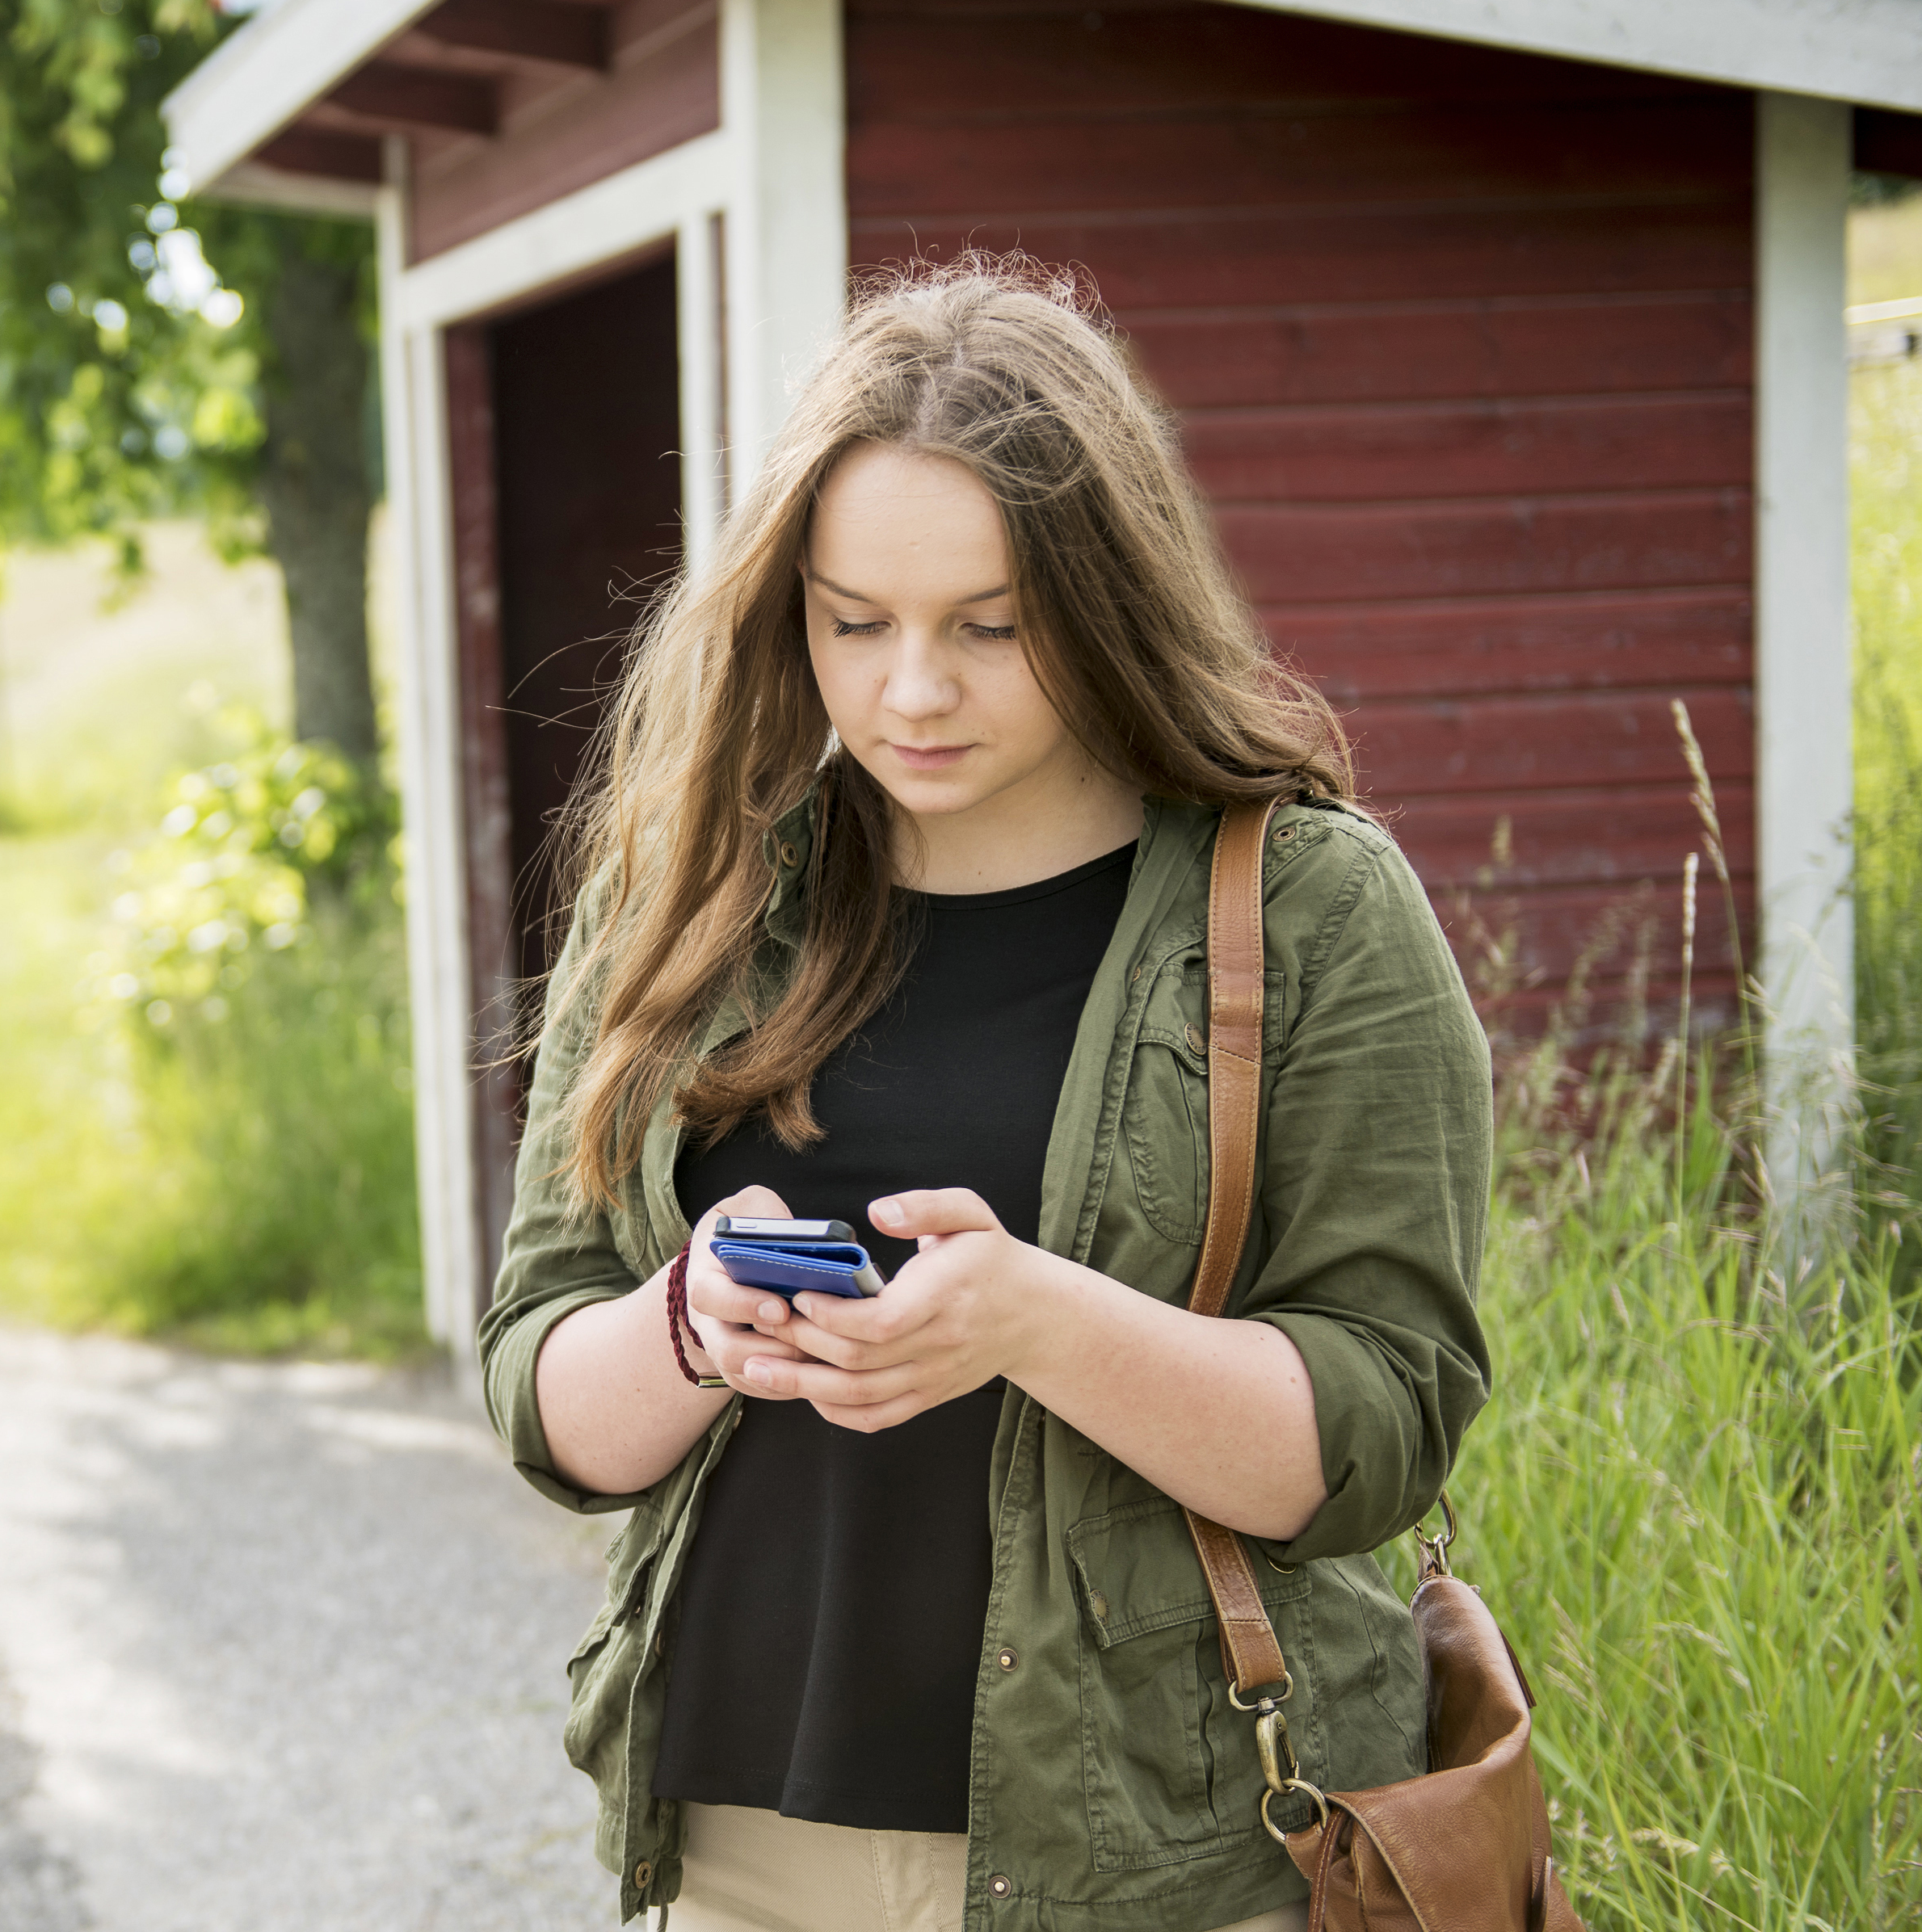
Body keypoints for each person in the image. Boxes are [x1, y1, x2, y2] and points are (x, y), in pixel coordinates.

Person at [478, 259, 1494, 1932]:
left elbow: (1382, 1425)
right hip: (734, 1846)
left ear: (1101, 600)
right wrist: (687, 1319)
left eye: (987, 625)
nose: (907, 691)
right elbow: (537, 1378)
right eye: (849, 620)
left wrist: (1031, 1320)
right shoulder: (691, 891)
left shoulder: (1310, 909)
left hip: (1175, 1862)